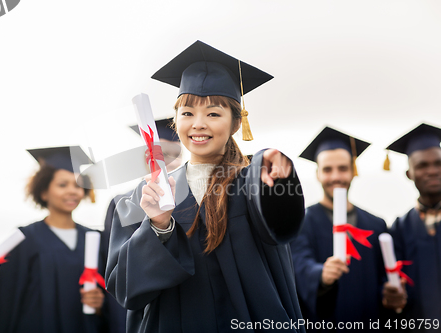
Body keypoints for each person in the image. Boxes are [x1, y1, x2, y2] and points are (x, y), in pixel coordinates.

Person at [105, 40, 306, 332]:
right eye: (187, 113)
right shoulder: (147, 195)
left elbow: (281, 217)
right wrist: (159, 226)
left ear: (236, 123)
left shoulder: (252, 185)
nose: (198, 124)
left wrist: (271, 164)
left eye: (213, 113)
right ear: (175, 121)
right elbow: (125, 290)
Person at [291, 126, 405, 332]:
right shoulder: (301, 223)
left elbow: (383, 279)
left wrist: (389, 294)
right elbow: (299, 266)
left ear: (353, 171)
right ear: (317, 174)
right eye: (327, 169)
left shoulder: (376, 225)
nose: (336, 177)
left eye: (343, 168)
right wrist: (321, 275)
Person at [0, 146, 108, 333]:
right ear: (44, 191)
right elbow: (7, 301)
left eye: (78, 185)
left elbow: (112, 299)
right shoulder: (23, 240)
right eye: (62, 185)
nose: (73, 191)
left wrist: (99, 305)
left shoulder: (95, 239)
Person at [102, 118, 182, 333]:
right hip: (145, 310)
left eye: (173, 154)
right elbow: (116, 268)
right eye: (159, 154)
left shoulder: (195, 197)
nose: (165, 161)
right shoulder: (124, 203)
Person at [386, 123, 441, 330]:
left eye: (438, 163)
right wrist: (391, 296)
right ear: (409, 173)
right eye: (422, 165)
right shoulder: (398, 231)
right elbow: (392, 288)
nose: (432, 171)